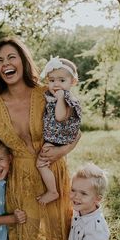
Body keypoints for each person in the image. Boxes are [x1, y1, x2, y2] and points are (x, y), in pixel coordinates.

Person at [0, 36, 80, 240]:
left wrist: (61, 151)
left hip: (53, 175)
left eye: (11, 57)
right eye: (0, 60)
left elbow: (75, 131)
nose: (6, 64)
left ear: (23, 62)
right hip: (20, 184)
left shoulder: (46, 92)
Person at [36, 56, 81, 204]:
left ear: (72, 82)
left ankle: (52, 191)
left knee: (41, 163)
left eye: (62, 80)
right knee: (44, 162)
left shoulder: (66, 98)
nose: (56, 84)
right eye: (52, 80)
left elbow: (60, 116)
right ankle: (52, 189)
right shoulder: (53, 96)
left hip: (58, 139)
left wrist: (60, 98)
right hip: (56, 137)